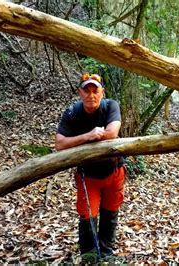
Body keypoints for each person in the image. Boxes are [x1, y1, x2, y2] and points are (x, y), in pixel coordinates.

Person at [55, 73, 125, 258]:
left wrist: (96, 136)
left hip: (114, 170)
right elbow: (60, 144)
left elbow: (112, 133)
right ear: (80, 93)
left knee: (110, 213)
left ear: (102, 92)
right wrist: (88, 135)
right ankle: (88, 256)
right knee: (88, 215)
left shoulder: (111, 105)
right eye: (87, 91)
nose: (91, 95)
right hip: (88, 175)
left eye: (95, 91)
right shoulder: (73, 112)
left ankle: (106, 254)